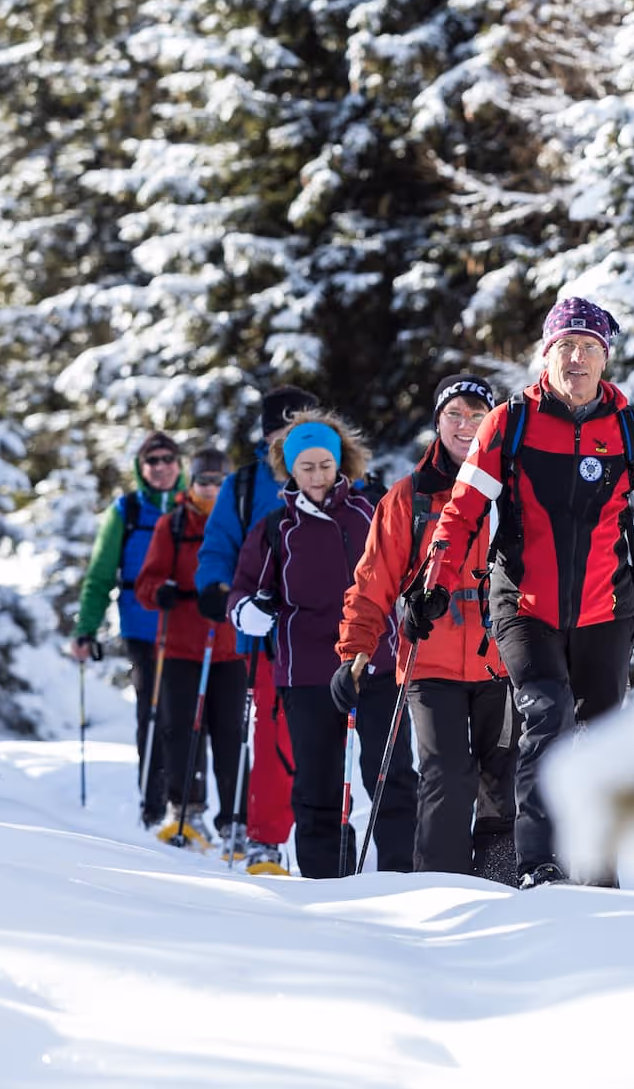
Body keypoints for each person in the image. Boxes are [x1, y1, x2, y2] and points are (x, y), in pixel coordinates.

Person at [416, 297, 634, 889]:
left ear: (606, 359)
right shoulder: (508, 423)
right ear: (547, 354)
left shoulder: (628, 430)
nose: (579, 358)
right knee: (548, 716)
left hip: (604, 610)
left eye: (590, 348)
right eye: (567, 346)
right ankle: (539, 863)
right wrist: (434, 584)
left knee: (604, 736)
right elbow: (462, 512)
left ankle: (598, 867)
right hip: (523, 606)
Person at [337, 374, 519, 881]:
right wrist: (354, 651)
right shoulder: (409, 499)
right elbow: (373, 581)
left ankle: (498, 881)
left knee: (500, 779)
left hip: (499, 659)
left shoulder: (510, 492)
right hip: (428, 663)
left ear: (492, 424)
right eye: (454, 415)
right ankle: (442, 889)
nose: (465, 425)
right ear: (438, 422)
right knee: (445, 776)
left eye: (476, 415)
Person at [227, 409, 418, 878]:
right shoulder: (275, 529)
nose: (316, 476)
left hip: (373, 664)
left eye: (325, 466)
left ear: (341, 465)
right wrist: (251, 610)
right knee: (317, 786)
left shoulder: (369, 512)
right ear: (290, 470)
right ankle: (324, 885)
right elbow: (242, 591)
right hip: (306, 671)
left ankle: (405, 876)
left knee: (390, 777)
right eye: (306, 467)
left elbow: (403, 573)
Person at [196, 385, 318, 873]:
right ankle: (265, 837)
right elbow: (217, 546)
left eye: (297, 426)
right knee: (271, 739)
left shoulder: (332, 475)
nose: (286, 439)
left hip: (327, 632)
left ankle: (327, 831)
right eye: (279, 429)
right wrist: (215, 588)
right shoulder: (244, 485)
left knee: (327, 737)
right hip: (268, 633)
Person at [70, 430, 187, 829]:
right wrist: (86, 629)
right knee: (152, 713)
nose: (161, 467)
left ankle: (185, 803)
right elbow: (101, 575)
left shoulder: (197, 506)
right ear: (141, 469)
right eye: (152, 461)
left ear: (179, 464)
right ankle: (152, 804)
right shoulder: (128, 510)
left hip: (190, 629)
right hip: (142, 628)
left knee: (188, 716)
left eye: (167, 459)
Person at [133, 449, 246, 849]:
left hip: (230, 649)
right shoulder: (173, 525)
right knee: (180, 733)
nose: (210, 489)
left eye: (218, 482)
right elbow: (146, 583)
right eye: (203, 482)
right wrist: (158, 593)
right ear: (191, 483)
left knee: (230, 735)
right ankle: (185, 810)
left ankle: (235, 820)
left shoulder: (241, 522)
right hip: (181, 648)